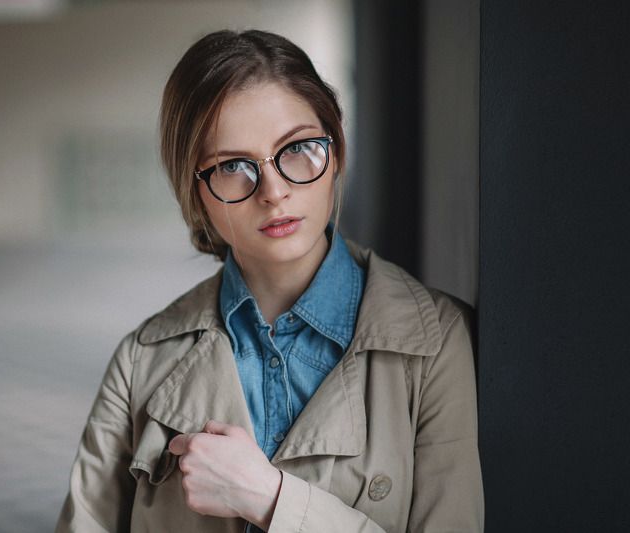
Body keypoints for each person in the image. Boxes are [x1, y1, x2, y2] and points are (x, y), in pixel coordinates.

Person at [55, 29, 483, 533]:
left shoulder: (434, 341)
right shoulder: (141, 361)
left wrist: (268, 498)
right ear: (194, 189)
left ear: (337, 150)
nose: (275, 191)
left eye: (298, 148)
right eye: (233, 165)